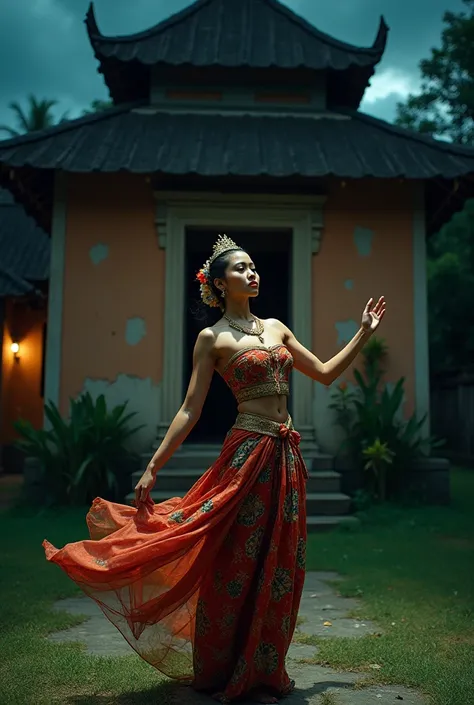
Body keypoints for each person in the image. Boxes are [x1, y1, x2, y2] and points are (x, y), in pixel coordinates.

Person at [43, 234, 386, 704]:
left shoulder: (277, 328)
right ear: (220, 284)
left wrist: (363, 332)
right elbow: (189, 408)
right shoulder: (213, 338)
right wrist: (152, 467)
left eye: (252, 266)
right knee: (236, 559)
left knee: (281, 560)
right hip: (247, 453)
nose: (252, 273)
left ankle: (265, 667)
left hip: (285, 454)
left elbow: (324, 372)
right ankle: (223, 665)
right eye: (241, 268)